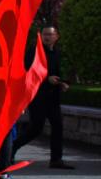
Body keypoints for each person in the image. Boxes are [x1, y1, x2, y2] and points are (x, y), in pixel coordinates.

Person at [12, 26, 73, 169]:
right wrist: (47, 80)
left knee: (58, 126)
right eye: (45, 34)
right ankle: (12, 147)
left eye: (50, 34)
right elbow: (28, 73)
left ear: (57, 37)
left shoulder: (57, 53)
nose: (47, 37)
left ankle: (56, 160)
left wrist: (63, 83)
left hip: (53, 98)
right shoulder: (34, 52)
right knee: (36, 128)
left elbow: (57, 73)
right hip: (38, 97)